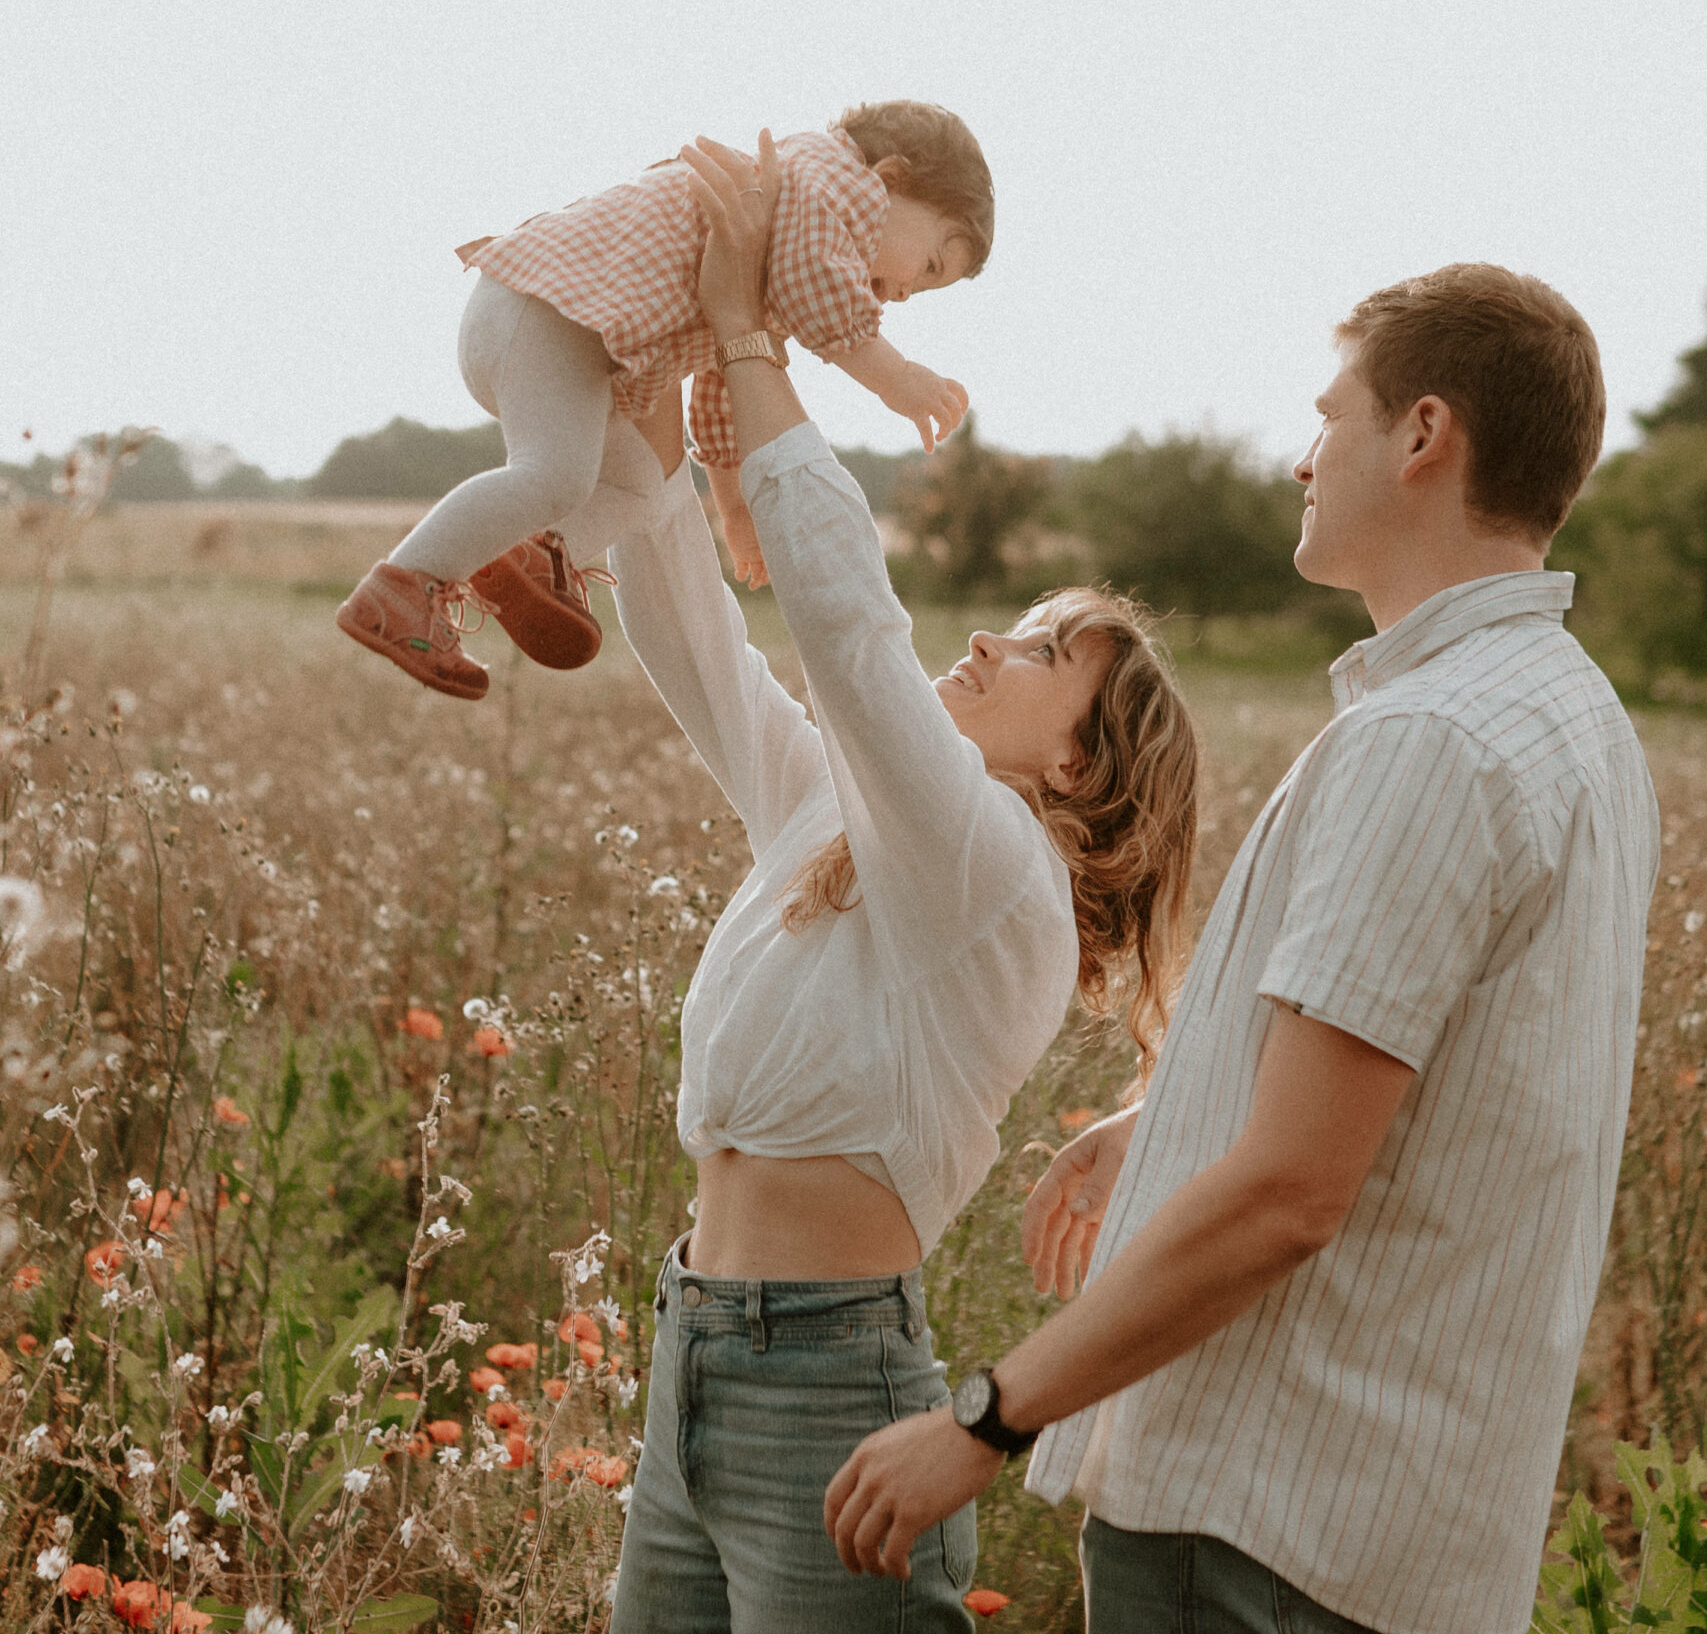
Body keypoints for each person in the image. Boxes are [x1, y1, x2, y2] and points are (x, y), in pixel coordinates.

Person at [825, 263, 1660, 1634]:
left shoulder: (1422, 742)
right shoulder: (1568, 715)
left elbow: (1287, 1194)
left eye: (1327, 417)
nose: (1298, 456)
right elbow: (1445, 1065)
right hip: (1403, 1527)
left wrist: (982, 1420)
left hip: (1266, 1528)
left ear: (1420, 436)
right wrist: (1165, 1117)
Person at [584, 133, 1200, 1631]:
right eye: (1025, 621)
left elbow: (850, 630)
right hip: (691, 1350)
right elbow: (699, 650)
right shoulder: (842, 822)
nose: (991, 644)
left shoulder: (999, 886)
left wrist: (747, 332)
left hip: (828, 1385)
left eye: (1046, 656)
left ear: (1075, 768)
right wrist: (645, 413)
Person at [334, 101, 991, 700]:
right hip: (544, 312)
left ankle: (537, 552)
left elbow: (726, 381)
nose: (905, 295)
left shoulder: (782, 241)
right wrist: (896, 376)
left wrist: (732, 509)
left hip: (566, 344)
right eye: (930, 265)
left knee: (634, 483)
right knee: (555, 474)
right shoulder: (823, 181)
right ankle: (402, 586)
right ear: (891, 178)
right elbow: (821, 289)